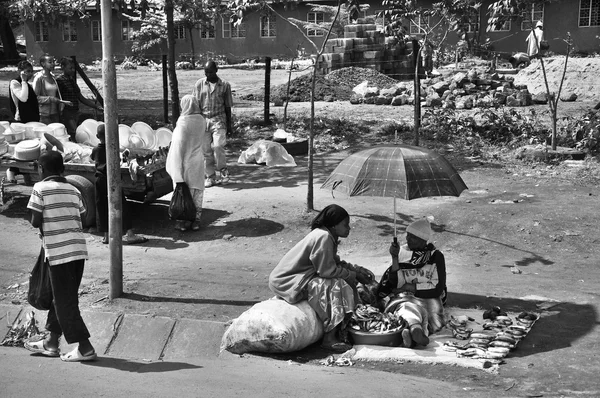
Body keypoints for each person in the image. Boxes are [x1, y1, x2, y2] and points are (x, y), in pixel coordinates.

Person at [268, 204, 375, 352]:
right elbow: (327, 271)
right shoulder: (323, 237)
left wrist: (355, 269)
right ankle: (329, 338)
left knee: (340, 280)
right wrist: (353, 275)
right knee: (336, 285)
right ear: (333, 225)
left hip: (298, 278)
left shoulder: (326, 235)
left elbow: (333, 261)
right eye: (345, 225)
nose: (348, 228)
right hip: (288, 281)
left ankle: (340, 329)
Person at [24, 151, 96, 362]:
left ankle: (86, 348)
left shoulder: (40, 188)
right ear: (62, 169)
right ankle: (51, 342)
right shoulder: (73, 189)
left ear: (41, 169)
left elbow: (35, 221)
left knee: (65, 303)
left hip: (59, 253)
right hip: (77, 252)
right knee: (61, 298)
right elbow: (83, 215)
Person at [378, 217, 447, 348]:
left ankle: (414, 334)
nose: (408, 240)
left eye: (413, 237)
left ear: (423, 240)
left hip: (428, 296)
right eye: (408, 236)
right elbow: (396, 284)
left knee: (430, 313)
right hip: (406, 297)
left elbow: (438, 287)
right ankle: (416, 330)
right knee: (405, 308)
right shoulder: (402, 252)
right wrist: (394, 258)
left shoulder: (436, 256)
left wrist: (413, 287)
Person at [91, 124, 148, 244]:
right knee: (122, 205)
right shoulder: (113, 148)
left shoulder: (95, 149)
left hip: (100, 179)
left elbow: (93, 159)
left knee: (101, 206)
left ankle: (106, 235)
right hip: (112, 179)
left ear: (97, 136)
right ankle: (130, 233)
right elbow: (117, 161)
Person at [165, 95, 207, 231]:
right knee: (197, 192)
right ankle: (195, 222)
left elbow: (178, 144)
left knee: (183, 191)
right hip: (198, 161)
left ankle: (182, 222)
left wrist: (175, 165)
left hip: (185, 162)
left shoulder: (183, 121)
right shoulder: (202, 120)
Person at [192, 60, 233, 187]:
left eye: (210, 72)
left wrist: (230, 124)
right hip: (203, 120)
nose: (208, 75)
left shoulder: (225, 85)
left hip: (219, 119)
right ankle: (210, 176)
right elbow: (195, 104)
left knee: (218, 146)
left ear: (216, 70)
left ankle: (223, 171)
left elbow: (228, 107)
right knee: (206, 150)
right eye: (206, 72)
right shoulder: (199, 84)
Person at [56, 56, 103, 141]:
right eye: (70, 68)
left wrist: (95, 106)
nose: (73, 70)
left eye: (74, 68)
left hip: (75, 111)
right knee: (73, 132)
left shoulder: (71, 80)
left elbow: (80, 97)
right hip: (66, 112)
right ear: (62, 67)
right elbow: (58, 98)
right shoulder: (59, 81)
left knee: (76, 131)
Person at [32, 54, 72, 124]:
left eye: (53, 62)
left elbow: (57, 94)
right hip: (44, 115)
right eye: (50, 62)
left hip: (55, 114)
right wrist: (52, 99)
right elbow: (35, 98)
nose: (53, 64)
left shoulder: (53, 77)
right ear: (43, 64)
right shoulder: (38, 78)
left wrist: (61, 103)